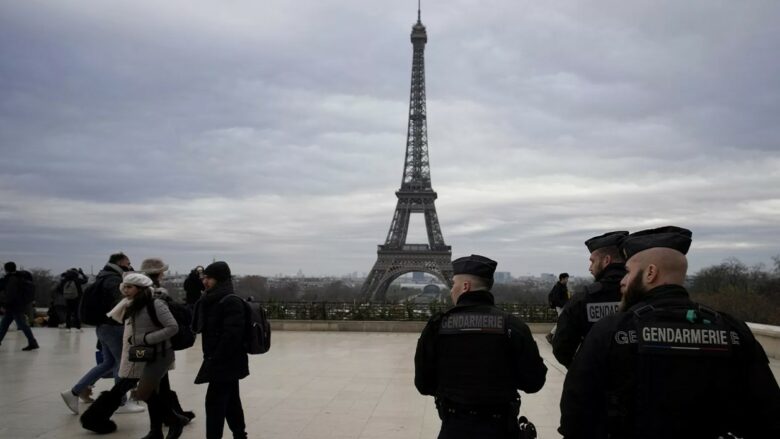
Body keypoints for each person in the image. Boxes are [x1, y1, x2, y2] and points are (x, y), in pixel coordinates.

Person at [559, 226, 780, 438]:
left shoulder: (611, 330)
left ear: (650, 273)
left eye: (628, 272)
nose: (623, 281)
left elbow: (575, 414)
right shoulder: (731, 330)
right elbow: (767, 414)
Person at [415, 254, 547, 439]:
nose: (451, 290)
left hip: (455, 426)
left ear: (465, 286)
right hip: (501, 426)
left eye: (453, 284)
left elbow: (423, 384)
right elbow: (534, 382)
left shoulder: (438, 326)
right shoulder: (513, 326)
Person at [80, 272, 184, 438]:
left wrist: (146, 338)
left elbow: (173, 327)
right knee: (153, 392)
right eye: (124, 287)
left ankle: (174, 420)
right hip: (140, 352)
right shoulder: (129, 304)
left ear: (140, 288)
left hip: (158, 354)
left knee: (143, 392)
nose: (125, 290)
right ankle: (156, 430)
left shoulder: (155, 304)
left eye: (129, 287)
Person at [61, 253, 145, 415]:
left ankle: (74, 392)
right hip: (113, 326)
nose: (130, 266)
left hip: (103, 326)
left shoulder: (102, 277)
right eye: (128, 263)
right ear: (120, 263)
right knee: (122, 364)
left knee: (108, 363)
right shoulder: (114, 280)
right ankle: (121, 402)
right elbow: (122, 302)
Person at [552, 231, 627, 367]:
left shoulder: (584, 299)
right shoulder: (644, 294)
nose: (590, 268)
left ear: (606, 260)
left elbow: (561, 347)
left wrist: (582, 369)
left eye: (592, 261)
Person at [192, 261, 249, 439]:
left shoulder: (230, 301)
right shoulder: (212, 299)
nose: (205, 281)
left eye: (209, 278)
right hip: (220, 359)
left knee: (214, 404)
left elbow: (232, 335)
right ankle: (240, 435)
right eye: (204, 277)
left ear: (220, 279)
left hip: (224, 361)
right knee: (231, 401)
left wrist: (215, 358)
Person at [139, 257, 196, 426]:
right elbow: (172, 324)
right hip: (153, 343)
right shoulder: (157, 293)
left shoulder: (138, 291)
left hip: (144, 342)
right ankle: (98, 414)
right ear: (159, 273)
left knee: (157, 381)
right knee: (146, 383)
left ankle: (172, 415)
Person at [0, 261, 39, 351]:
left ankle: (33, 342)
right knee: (4, 325)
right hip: (16, 306)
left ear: (6, 269)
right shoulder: (18, 277)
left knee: (22, 325)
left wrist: (4, 305)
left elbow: (11, 294)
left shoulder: (12, 279)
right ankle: (32, 342)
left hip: (14, 306)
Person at [58, 267, 89, 332]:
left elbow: (60, 288)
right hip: (77, 298)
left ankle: (68, 327)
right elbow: (86, 280)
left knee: (68, 313)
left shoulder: (65, 280)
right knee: (76, 312)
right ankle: (78, 327)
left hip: (67, 298)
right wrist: (82, 273)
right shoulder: (77, 280)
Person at [545, 272, 569, 343]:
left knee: (562, 321)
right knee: (561, 322)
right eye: (566, 279)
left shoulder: (562, 286)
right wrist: (564, 304)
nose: (567, 280)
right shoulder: (558, 287)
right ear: (562, 279)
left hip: (563, 306)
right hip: (560, 307)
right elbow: (557, 298)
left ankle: (552, 335)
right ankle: (550, 335)